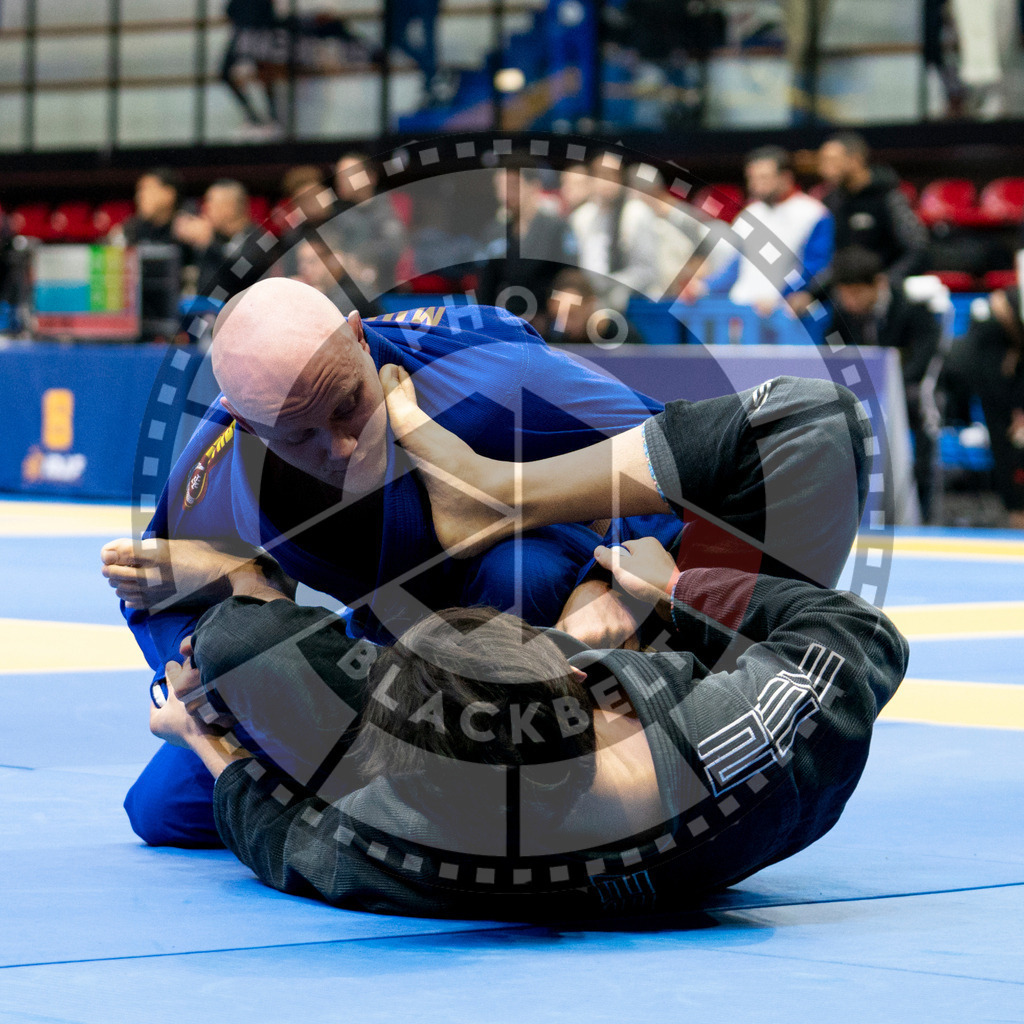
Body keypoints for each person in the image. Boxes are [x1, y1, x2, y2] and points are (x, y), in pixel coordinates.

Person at [147, 366, 907, 918]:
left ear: (410, 775)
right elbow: (860, 634)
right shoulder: (744, 741)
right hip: (688, 677)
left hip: (502, 763)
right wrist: (670, 592)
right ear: (581, 682)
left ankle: (284, 587)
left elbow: (286, 841)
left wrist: (206, 729)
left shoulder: (432, 836)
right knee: (815, 421)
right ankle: (504, 498)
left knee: (232, 644)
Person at [103, 278, 680, 847]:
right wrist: (191, 670)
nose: (341, 447)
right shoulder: (223, 459)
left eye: (348, 404)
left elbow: (682, 455)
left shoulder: (489, 376)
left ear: (356, 337)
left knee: (521, 572)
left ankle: (504, 772)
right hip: (389, 653)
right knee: (161, 811)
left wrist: (609, 580)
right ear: (244, 421)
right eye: (299, 435)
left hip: (532, 611)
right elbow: (155, 590)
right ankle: (420, 784)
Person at [829, 246, 942, 521]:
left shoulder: (912, 307)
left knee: (924, 405)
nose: (849, 301)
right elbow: (833, 355)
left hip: (908, 389)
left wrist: (892, 387)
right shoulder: (840, 315)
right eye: (844, 294)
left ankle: (923, 514)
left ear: (878, 283)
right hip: (861, 394)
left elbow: (926, 355)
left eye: (855, 293)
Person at [682, 147, 833, 323]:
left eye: (764, 177)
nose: (756, 184)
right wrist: (704, 287)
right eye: (752, 178)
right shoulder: (749, 214)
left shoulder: (814, 213)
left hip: (784, 314)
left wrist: (782, 296)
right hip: (742, 309)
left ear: (785, 177)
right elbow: (737, 265)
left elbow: (814, 267)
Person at [795, 133, 928, 312]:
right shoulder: (831, 202)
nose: (825, 169)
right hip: (844, 301)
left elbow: (916, 247)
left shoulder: (888, 196)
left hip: (887, 300)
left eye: (832, 160)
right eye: (823, 161)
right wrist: (812, 294)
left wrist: (886, 283)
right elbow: (832, 260)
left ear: (855, 159)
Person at [941, 287, 1024, 529]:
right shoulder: (989, 326)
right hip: (997, 393)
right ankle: (1016, 513)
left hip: (1012, 392)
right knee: (1008, 449)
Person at [476, 156, 578, 323]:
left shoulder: (556, 227)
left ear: (534, 186)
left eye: (512, 186)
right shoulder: (495, 231)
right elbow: (486, 284)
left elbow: (569, 277)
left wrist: (551, 318)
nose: (505, 195)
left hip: (547, 322)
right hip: (506, 322)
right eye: (500, 187)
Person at [569, 155, 660, 311]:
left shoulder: (637, 213)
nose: (606, 182)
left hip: (631, 298)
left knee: (617, 298)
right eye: (600, 175)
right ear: (591, 180)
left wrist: (610, 283)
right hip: (591, 295)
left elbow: (647, 271)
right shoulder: (581, 217)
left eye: (612, 176)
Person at [173, 179, 265, 299]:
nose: (205, 208)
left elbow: (241, 273)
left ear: (231, 207)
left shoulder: (259, 240)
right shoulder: (216, 237)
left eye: (211, 203)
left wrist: (209, 243)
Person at [330, 153, 406, 293]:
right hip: (345, 290)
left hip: (384, 292)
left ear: (370, 177)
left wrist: (355, 258)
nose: (341, 180)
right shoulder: (337, 214)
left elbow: (393, 248)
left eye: (348, 174)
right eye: (339, 175)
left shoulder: (388, 208)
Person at [537, 268, 645, 346]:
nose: (564, 325)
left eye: (571, 314)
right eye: (557, 316)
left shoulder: (623, 336)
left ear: (590, 304)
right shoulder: (553, 342)